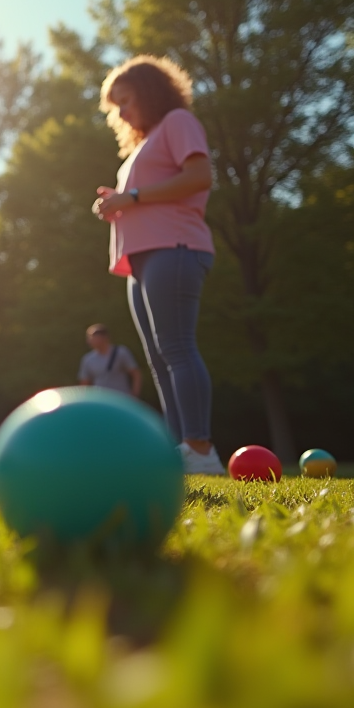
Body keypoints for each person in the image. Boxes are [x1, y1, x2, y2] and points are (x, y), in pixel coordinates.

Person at [92, 55, 225, 475]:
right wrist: (116, 201)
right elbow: (150, 193)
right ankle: (179, 450)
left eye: (126, 101)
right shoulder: (142, 145)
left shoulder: (178, 122)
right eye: (117, 107)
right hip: (143, 257)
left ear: (149, 92)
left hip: (177, 247)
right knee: (158, 356)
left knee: (177, 347)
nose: (122, 113)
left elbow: (199, 176)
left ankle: (200, 448)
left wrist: (130, 199)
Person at [78, 324, 142, 396]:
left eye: (92, 337)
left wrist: (135, 393)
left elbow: (136, 374)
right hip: (102, 401)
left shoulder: (121, 352)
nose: (89, 341)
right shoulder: (87, 359)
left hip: (122, 398)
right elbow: (85, 383)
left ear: (103, 337)